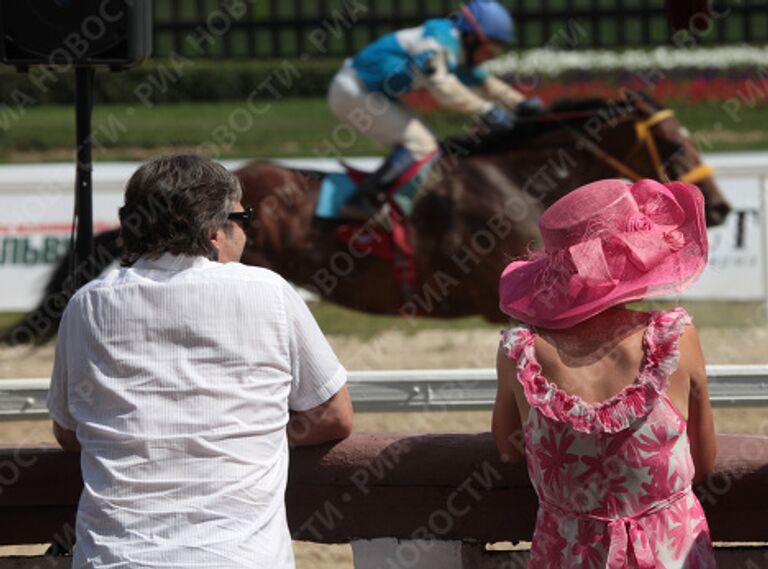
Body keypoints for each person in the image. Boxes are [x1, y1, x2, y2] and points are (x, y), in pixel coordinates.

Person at [47, 154, 354, 568]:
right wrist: (248, 430)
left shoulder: (87, 305)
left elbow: (69, 431)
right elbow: (334, 415)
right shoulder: (268, 292)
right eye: (244, 220)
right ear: (214, 231)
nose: (247, 234)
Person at [492, 178, 717, 567]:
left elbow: (508, 448)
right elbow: (705, 460)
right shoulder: (677, 338)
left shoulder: (521, 353)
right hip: (672, 552)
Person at [328, 0, 537, 218]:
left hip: (369, 92)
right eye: (492, 47)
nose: (493, 55)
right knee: (420, 144)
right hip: (354, 91)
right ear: (472, 37)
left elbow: (484, 82)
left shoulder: (453, 47)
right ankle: (362, 200)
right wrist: (487, 110)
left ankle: (381, 200)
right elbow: (443, 88)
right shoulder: (438, 43)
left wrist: (520, 103)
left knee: (425, 144)